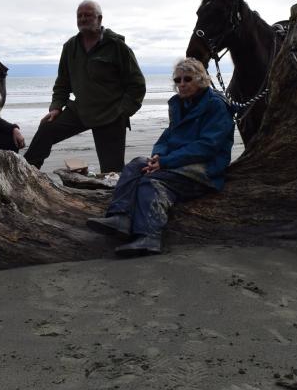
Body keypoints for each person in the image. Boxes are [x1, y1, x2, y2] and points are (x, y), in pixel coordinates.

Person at [86, 57, 234, 256]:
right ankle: (119, 218)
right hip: (177, 161)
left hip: (205, 169)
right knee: (136, 165)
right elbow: (168, 135)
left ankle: (149, 237)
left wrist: (165, 162)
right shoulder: (179, 104)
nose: (181, 84)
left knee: (152, 181)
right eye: (178, 80)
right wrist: (157, 156)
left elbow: (207, 147)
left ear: (200, 79)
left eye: (187, 79)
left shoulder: (216, 105)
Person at [24, 0, 146, 173]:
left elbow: (137, 85)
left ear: (99, 18)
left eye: (87, 15)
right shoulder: (70, 47)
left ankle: (111, 197)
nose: (82, 19)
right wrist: (56, 107)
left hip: (110, 114)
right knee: (47, 128)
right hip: (80, 110)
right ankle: (25, 172)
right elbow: (62, 83)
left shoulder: (117, 47)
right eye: (79, 15)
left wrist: (122, 112)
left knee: (112, 172)